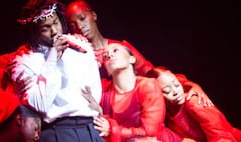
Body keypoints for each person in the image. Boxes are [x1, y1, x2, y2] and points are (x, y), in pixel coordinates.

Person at [9, 0, 111, 142]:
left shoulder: (81, 46)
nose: (54, 30)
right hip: (57, 132)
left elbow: (94, 91)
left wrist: (94, 110)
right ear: (34, 31)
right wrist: (53, 58)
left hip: (89, 130)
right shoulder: (24, 61)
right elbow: (40, 103)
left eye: (55, 23)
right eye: (45, 28)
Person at [65, 0, 213, 107]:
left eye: (82, 18)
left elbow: (152, 73)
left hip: (136, 109)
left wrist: (189, 84)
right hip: (103, 115)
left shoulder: (121, 48)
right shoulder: (78, 57)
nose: (79, 26)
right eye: (72, 24)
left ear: (94, 16)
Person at [88, 43, 182, 142]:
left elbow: (150, 131)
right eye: (105, 56)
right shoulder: (104, 91)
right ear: (107, 69)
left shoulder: (147, 85)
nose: (109, 55)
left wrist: (113, 130)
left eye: (115, 50)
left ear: (131, 59)